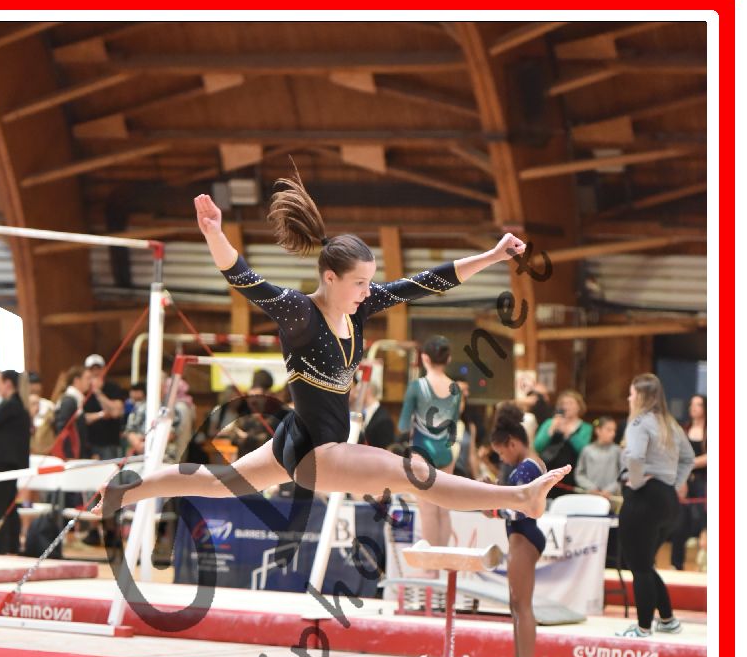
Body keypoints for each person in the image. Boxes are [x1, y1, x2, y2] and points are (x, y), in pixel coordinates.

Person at [95, 169, 570, 527]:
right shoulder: (300, 313)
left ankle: (123, 491)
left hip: (297, 439)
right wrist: (215, 234)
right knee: (408, 471)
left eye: (369, 281)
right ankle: (518, 498)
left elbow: (425, 283)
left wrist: (492, 255)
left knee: (217, 483)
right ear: (330, 277)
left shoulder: (358, 308)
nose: (367, 290)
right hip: (316, 452)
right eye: (359, 282)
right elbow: (246, 280)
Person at [616, 374, 695, 637]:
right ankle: (668, 620)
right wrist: (673, 484)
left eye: (631, 393)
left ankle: (642, 627)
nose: (629, 398)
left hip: (644, 500)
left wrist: (637, 483)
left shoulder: (638, 422)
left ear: (640, 396)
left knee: (638, 566)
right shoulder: (671, 424)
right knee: (645, 564)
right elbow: (689, 458)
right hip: (667, 500)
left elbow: (635, 456)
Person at [490, 403, 546, 657]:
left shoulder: (526, 468)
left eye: (502, 453)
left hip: (524, 536)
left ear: (512, 443)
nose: (503, 459)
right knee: (516, 605)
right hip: (522, 536)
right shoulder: (529, 465)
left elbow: (522, 510)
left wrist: (492, 508)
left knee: (522, 606)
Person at [398, 337, 462, 583]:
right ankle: (442, 566)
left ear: (424, 358)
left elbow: (404, 424)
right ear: (448, 359)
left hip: (422, 451)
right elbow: (453, 423)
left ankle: (429, 569)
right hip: (446, 452)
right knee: (443, 510)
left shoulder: (417, 387)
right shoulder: (455, 388)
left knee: (427, 511)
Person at [0, 370, 31, 554]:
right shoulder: (17, 405)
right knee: (9, 504)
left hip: (2, 462)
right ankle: (11, 545)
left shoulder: (10, 405)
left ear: (8, 384)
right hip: (10, 462)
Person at [669, 394, 708, 570]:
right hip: (684, 479)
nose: (694, 407)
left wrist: (689, 463)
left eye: (698, 404)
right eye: (692, 404)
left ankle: (705, 562)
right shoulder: (683, 429)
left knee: (704, 520)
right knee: (679, 522)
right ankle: (676, 564)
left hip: (705, 481)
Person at [534, 389, 593, 473]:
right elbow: (537, 446)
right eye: (563, 404)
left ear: (579, 406)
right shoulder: (549, 422)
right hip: (548, 470)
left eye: (570, 403)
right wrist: (551, 429)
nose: (566, 407)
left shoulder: (586, 427)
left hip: (573, 471)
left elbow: (583, 451)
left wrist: (569, 433)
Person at [82, 354, 127, 461]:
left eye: (98, 368)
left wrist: (98, 392)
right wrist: (101, 415)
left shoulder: (113, 388)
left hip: (109, 444)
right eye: (91, 369)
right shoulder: (83, 390)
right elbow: (81, 418)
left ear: (104, 369)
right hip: (87, 445)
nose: (95, 372)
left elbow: (116, 412)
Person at [574, 416, 623, 507]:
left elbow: (623, 475)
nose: (613, 434)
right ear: (598, 430)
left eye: (614, 430)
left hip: (611, 498)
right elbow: (579, 474)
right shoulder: (587, 450)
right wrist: (591, 487)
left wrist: (610, 489)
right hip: (590, 497)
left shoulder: (617, 451)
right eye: (609, 430)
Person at [356, 381, 396, 450]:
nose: (354, 396)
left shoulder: (384, 420)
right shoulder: (360, 413)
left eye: (357, 392)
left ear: (367, 392)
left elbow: (386, 450)